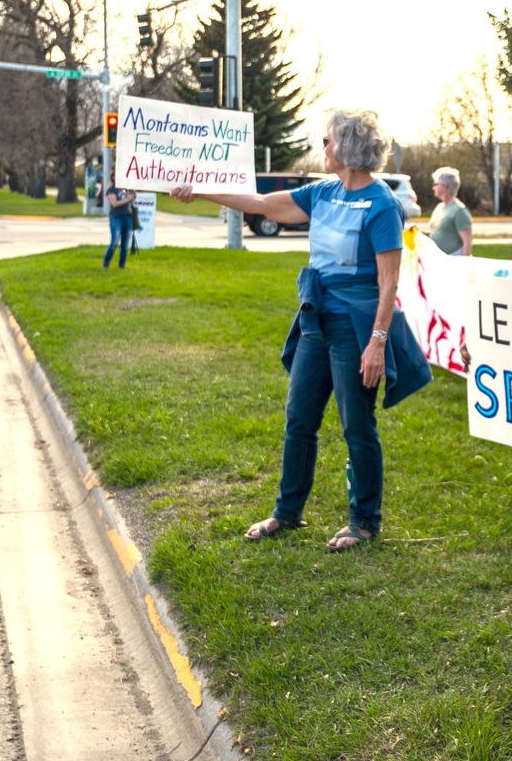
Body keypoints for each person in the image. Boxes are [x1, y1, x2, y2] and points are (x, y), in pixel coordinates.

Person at [172, 111, 432, 552]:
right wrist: (199, 191)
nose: (323, 147)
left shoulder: (383, 205)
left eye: (328, 141)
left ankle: (365, 521)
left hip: (356, 328)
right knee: (299, 420)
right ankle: (287, 512)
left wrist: (377, 342)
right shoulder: (322, 193)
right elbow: (261, 204)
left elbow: (390, 282)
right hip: (316, 322)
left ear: (348, 148)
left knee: (357, 426)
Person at [427, 166, 474, 255]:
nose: (433, 188)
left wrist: (465, 266)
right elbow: (435, 231)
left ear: (445, 186)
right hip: (440, 261)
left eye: (436, 184)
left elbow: (467, 242)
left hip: (454, 262)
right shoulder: (439, 207)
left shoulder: (459, 210)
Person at [102, 181, 136, 270]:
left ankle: (122, 265)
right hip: (116, 217)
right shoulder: (111, 190)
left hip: (128, 217)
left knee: (125, 244)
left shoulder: (127, 189)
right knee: (114, 242)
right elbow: (115, 203)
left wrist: (134, 190)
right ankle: (106, 263)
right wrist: (128, 199)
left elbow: (134, 196)